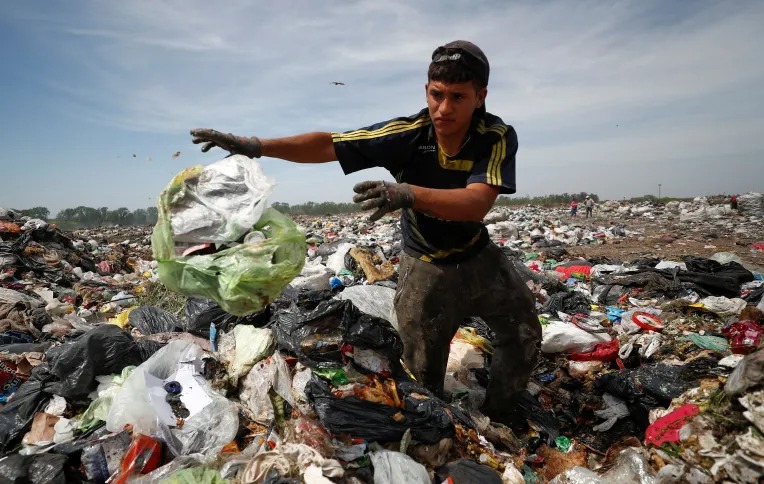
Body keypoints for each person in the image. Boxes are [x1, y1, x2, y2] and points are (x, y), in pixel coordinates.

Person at [190, 40, 541, 428]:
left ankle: (500, 418)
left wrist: (408, 194)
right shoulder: (407, 134)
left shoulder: (495, 136)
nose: (444, 108)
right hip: (426, 265)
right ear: (426, 90)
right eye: (436, 95)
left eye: (458, 97)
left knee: (523, 332)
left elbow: (476, 203)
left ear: (480, 97)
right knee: (422, 376)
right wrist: (254, 145)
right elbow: (329, 144)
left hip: (479, 257)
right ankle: (445, 432)